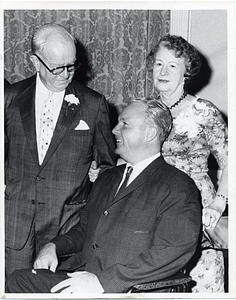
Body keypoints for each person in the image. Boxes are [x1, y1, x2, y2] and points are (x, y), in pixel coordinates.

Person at [6, 99, 202, 294]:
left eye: (124, 124)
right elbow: (84, 230)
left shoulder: (177, 186)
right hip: (82, 277)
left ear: (150, 133)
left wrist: (102, 282)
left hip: (124, 288)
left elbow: (173, 250)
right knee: (18, 280)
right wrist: (53, 247)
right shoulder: (107, 178)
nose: (115, 129)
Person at [4, 23, 117, 280]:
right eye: (57, 68)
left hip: (66, 231)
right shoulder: (9, 99)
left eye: (71, 66)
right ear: (35, 61)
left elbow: (109, 169)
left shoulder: (93, 104)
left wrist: (96, 180)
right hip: (14, 229)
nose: (66, 75)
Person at [146, 34, 228, 292]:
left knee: (199, 284)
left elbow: (231, 162)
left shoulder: (204, 111)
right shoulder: (143, 110)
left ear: (186, 72)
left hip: (198, 211)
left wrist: (218, 204)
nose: (163, 70)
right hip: (154, 210)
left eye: (172, 65)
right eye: (159, 63)